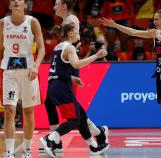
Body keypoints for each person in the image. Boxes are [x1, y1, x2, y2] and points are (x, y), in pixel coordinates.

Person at [100, 6, 161, 152]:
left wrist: (155, 35)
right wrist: (115, 25)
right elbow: (134, 32)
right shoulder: (156, 33)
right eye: (154, 19)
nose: (154, 22)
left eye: (157, 19)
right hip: (160, 74)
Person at [39, 0, 109, 153]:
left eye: (56, 3)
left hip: (69, 67)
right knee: (51, 103)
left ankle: (93, 136)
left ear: (64, 5)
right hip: (64, 68)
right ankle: (96, 133)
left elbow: (75, 42)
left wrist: (71, 74)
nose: (53, 7)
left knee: (73, 111)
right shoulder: (65, 23)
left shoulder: (71, 20)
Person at [0, 0, 45, 157]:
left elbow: (42, 48)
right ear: (9, 6)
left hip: (28, 72)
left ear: (26, 5)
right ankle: (9, 152)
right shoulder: (2, 23)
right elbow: (0, 49)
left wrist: (36, 65)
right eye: (12, 0)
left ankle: (27, 150)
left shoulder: (33, 22)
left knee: (28, 111)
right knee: (9, 110)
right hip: (9, 72)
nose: (16, 1)